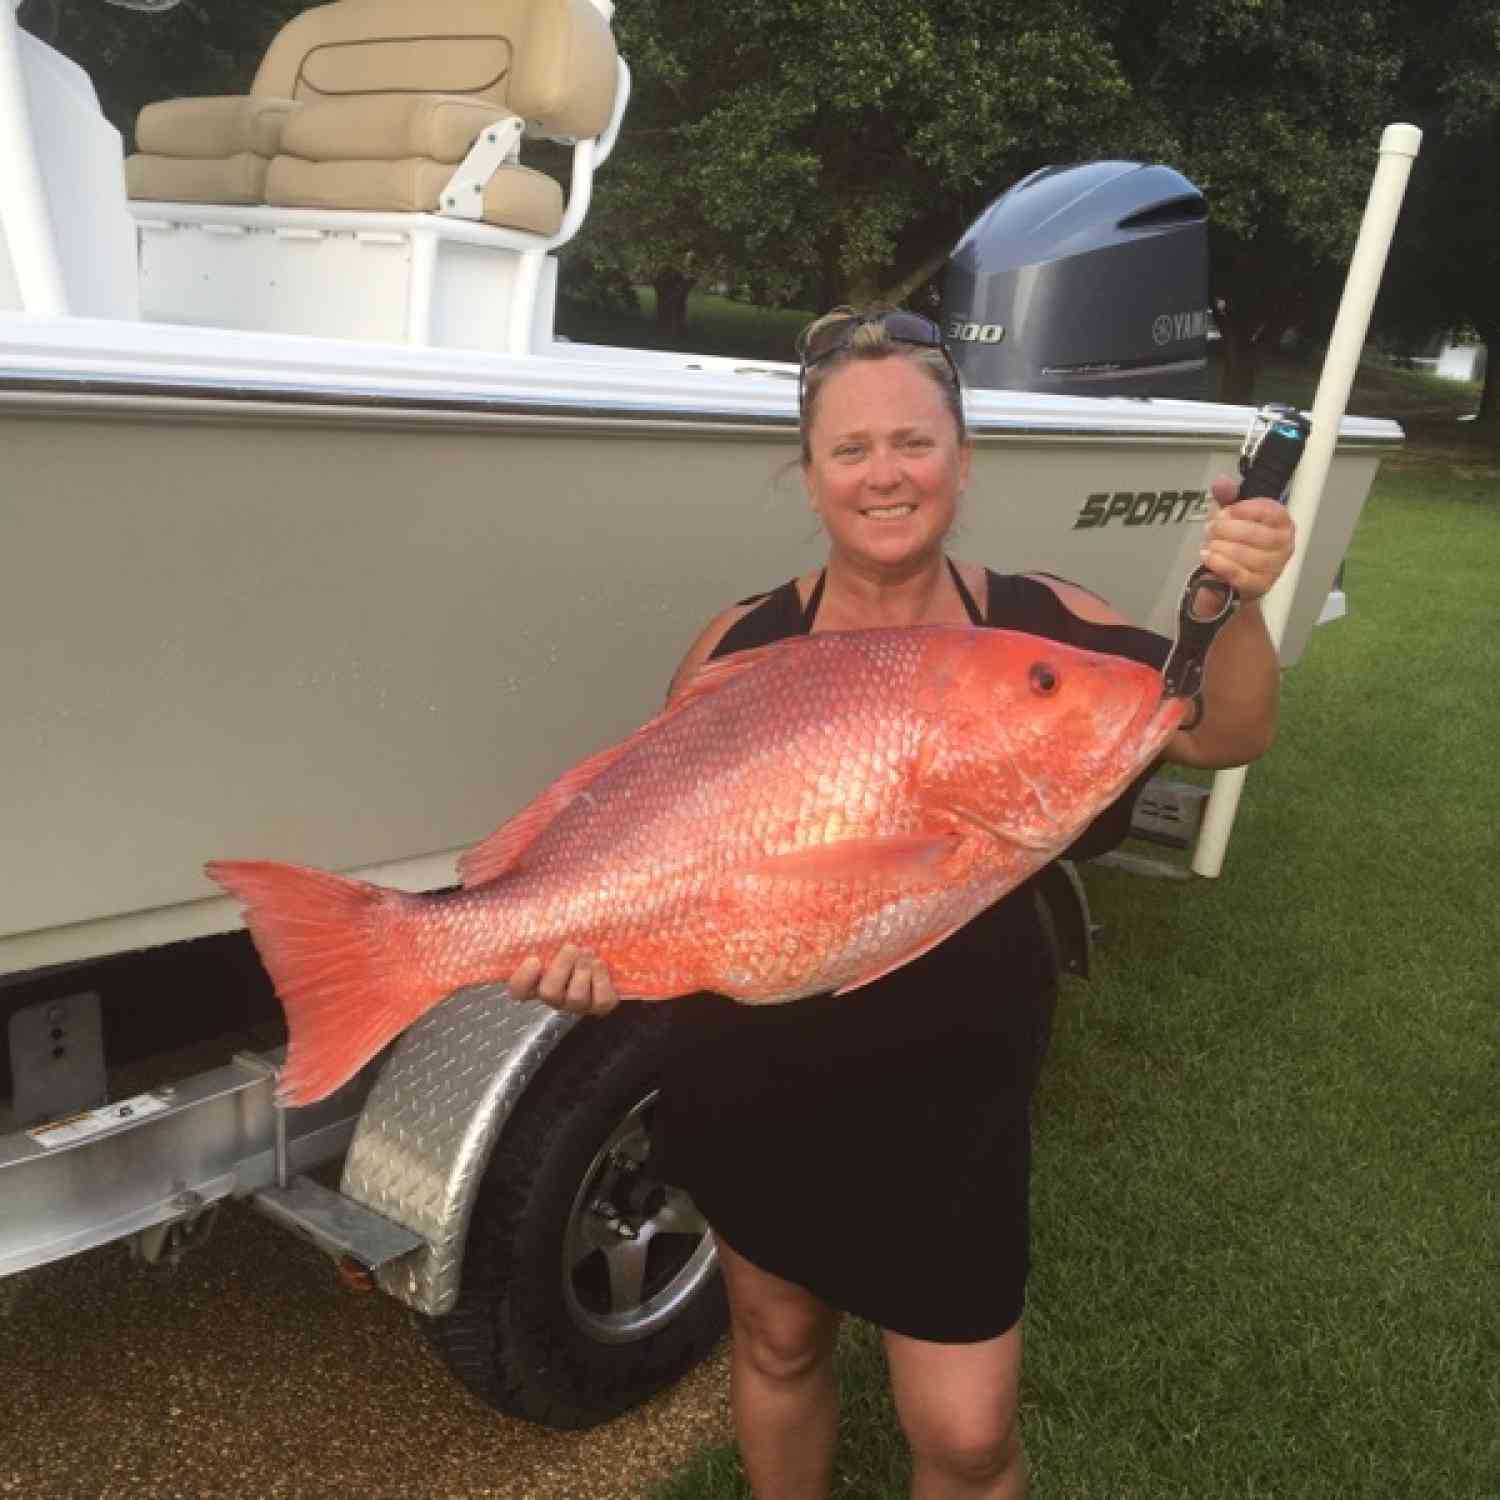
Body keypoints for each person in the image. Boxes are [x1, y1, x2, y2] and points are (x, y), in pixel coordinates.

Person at [507, 307, 1295, 1499]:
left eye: (916, 443)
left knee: (970, 1439)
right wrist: (579, 947)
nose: (887, 475)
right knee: (775, 1344)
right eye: (852, 448)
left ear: (964, 459)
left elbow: (1226, 726)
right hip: (754, 1079)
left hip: (953, 1103)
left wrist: (1234, 595)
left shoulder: (1043, 633)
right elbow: (649, 839)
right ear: (808, 473)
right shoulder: (737, 645)